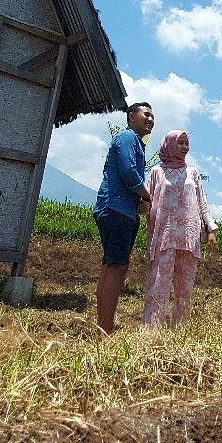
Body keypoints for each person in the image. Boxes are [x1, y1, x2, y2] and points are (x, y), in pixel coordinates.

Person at [142, 129, 217, 327]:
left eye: (186, 143)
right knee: (159, 285)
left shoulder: (193, 173)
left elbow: (202, 202)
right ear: (169, 145)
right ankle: (152, 330)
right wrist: (140, 207)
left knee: (184, 288)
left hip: (188, 236)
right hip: (164, 235)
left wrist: (211, 228)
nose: (185, 147)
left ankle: (180, 328)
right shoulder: (157, 172)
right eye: (180, 143)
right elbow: (147, 200)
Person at [93, 102, 154, 335]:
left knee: (111, 266)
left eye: (152, 117)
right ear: (131, 116)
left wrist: (138, 202)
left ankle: (103, 327)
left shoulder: (136, 142)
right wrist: (147, 196)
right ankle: (106, 331)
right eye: (146, 114)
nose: (150, 120)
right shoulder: (127, 138)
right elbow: (130, 173)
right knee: (117, 267)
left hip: (122, 210)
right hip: (116, 209)